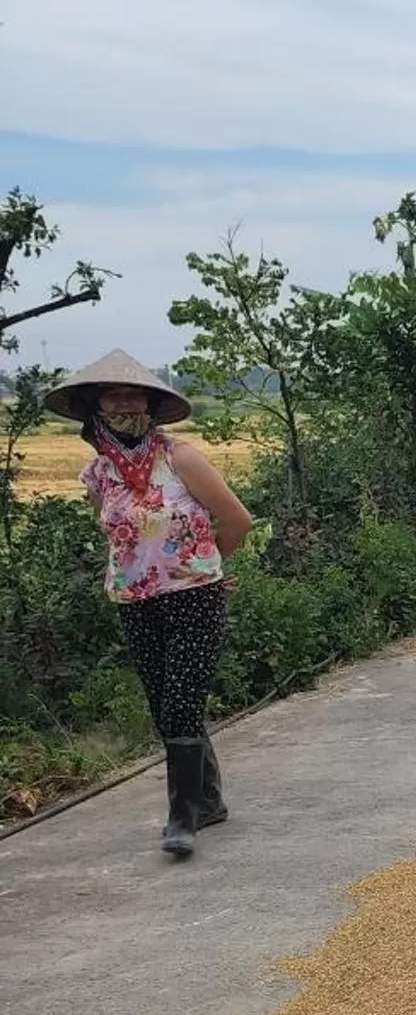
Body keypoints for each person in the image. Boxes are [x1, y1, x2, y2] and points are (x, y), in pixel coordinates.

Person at [46, 348, 254, 858]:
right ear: (96, 409)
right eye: (113, 397)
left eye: (133, 396)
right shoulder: (98, 475)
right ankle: (207, 800)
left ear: (151, 407)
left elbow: (237, 521)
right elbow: (118, 536)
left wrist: (204, 567)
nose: (123, 405)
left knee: (182, 702)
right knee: (166, 705)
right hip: (135, 602)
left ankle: (182, 816)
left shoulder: (180, 459)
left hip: (194, 599)